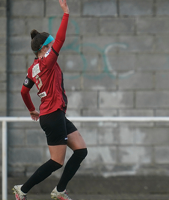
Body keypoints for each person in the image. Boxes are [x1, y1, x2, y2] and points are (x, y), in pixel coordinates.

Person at [13, 1, 87, 200]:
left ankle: (59, 191)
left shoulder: (33, 68)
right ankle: (23, 189)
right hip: (52, 116)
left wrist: (31, 110)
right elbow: (61, 39)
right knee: (57, 161)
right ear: (44, 48)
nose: (54, 48)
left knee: (81, 150)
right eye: (51, 46)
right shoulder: (47, 62)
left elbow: (23, 91)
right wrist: (66, 13)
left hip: (54, 113)